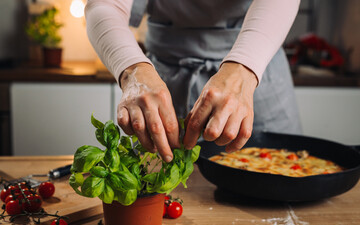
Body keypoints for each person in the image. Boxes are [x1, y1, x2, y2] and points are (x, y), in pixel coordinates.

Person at [85, 0, 302, 162]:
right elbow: (105, 6)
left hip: (256, 70)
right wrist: (132, 70)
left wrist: (243, 68)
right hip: (161, 80)